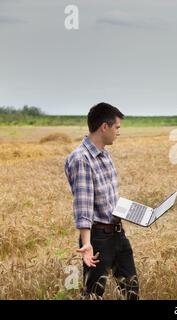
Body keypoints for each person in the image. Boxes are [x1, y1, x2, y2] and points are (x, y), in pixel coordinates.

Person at [64, 102, 139, 299]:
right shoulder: (82, 159)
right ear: (104, 127)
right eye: (117, 127)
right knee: (93, 293)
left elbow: (108, 198)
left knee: (131, 290)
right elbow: (84, 205)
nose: (118, 132)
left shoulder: (105, 155)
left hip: (117, 232)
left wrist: (138, 212)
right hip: (98, 238)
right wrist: (87, 243)